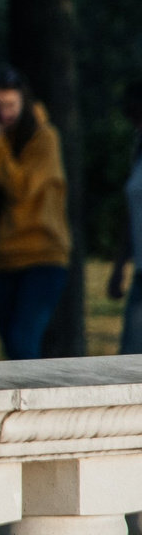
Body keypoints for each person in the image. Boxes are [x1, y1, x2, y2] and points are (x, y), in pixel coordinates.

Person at [0, 67, 72, 361]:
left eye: (10, 105)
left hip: (42, 258)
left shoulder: (45, 139)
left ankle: (37, 405)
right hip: (1, 262)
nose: (4, 114)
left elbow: (21, 189)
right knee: (13, 354)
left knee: (23, 342)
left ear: (24, 103)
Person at [111, 81, 142, 356]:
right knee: (130, 361)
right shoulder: (139, 151)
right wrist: (120, 265)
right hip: (140, 275)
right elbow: (132, 214)